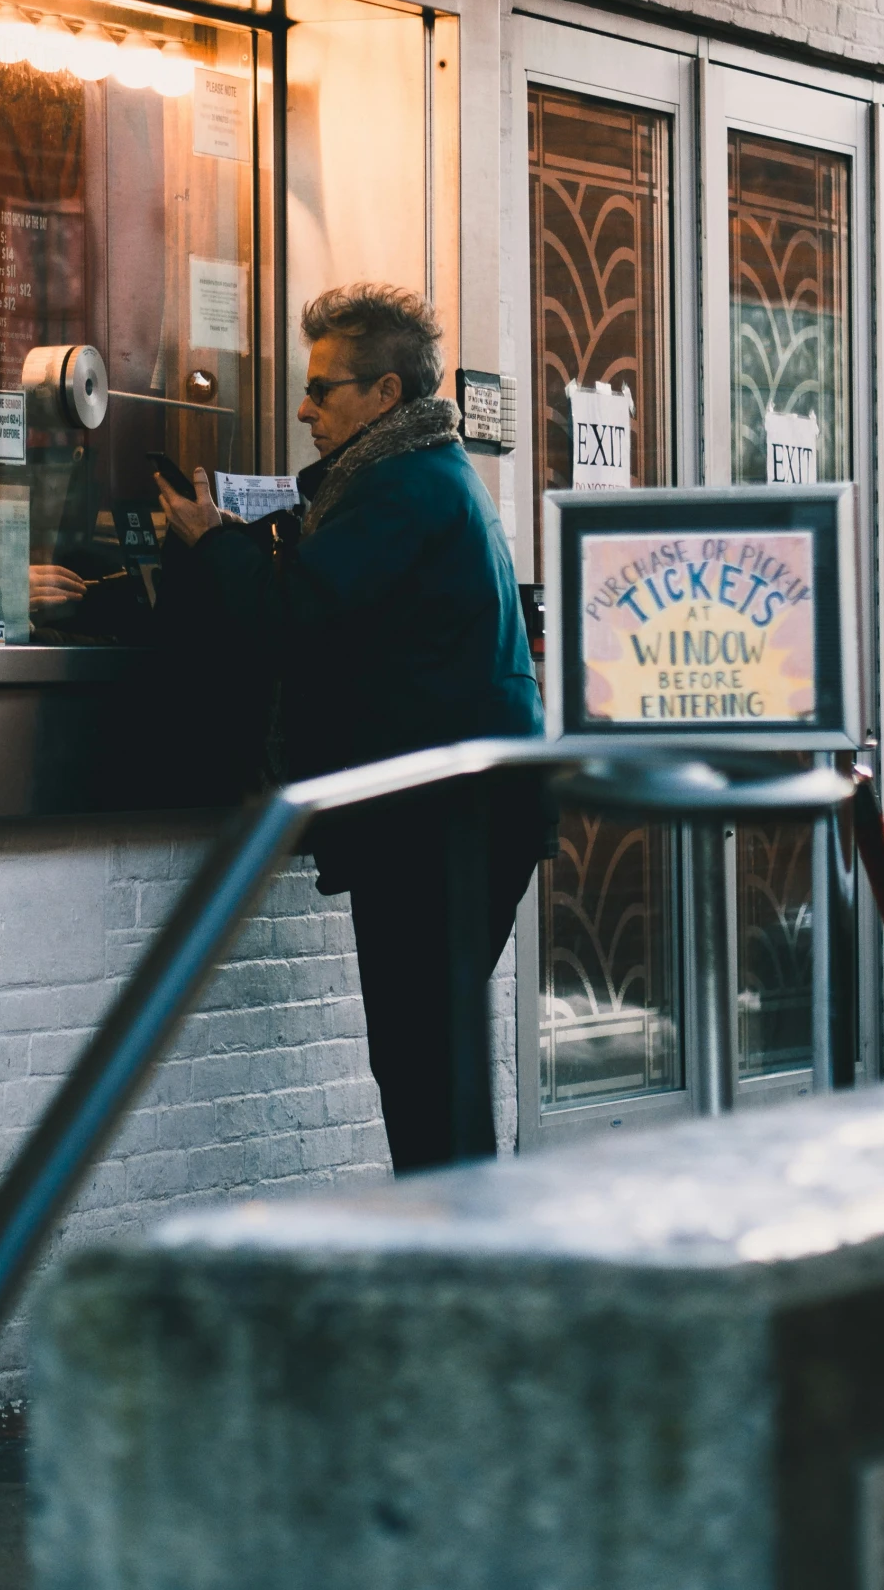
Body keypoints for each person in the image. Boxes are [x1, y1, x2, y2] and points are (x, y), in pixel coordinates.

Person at [156, 283, 545, 1174]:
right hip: (455, 813)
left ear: (386, 397)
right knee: (426, 1056)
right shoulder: (413, 478)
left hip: (443, 819)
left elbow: (298, 613)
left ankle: (451, 1270)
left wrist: (209, 541)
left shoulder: (402, 486)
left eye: (323, 388)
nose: (303, 407)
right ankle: (452, 1258)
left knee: (423, 1062)